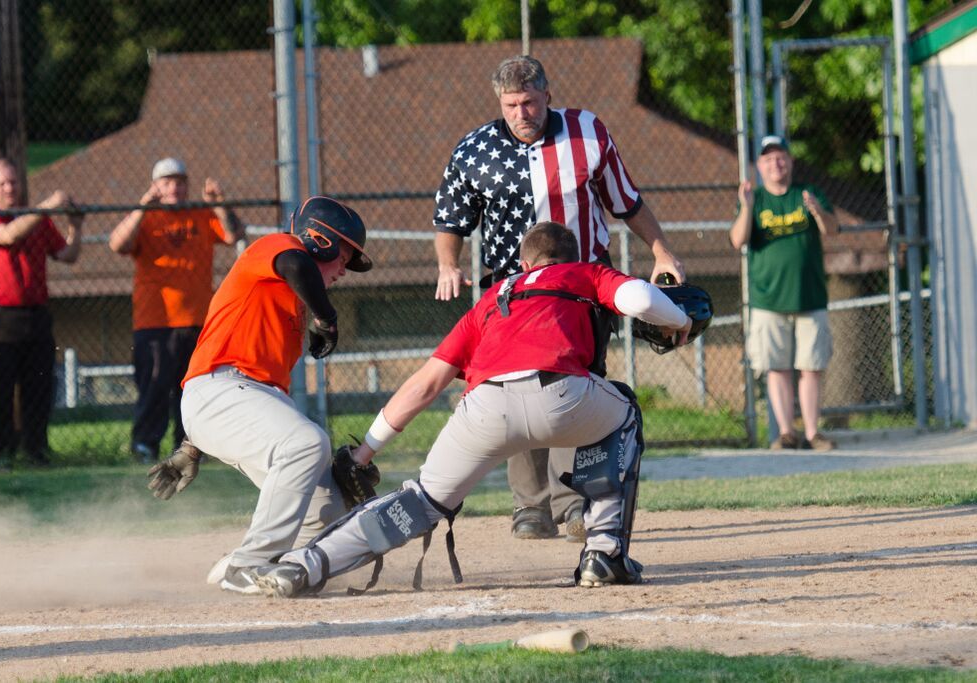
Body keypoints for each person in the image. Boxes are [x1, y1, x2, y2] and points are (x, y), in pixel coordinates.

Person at [246, 222, 694, 598]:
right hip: (565, 395)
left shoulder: (493, 298)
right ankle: (603, 552)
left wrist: (365, 451)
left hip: (484, 406)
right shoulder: (584, 273)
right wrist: (681, 320)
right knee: (624, 413)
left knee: (420, 500)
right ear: (571, 258)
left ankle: (304, 565)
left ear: (524, 265)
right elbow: (639, 300)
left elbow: (426, 384)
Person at [432, 54, 686, 542]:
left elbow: (627, 202)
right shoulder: (475, 150)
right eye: (511, 104)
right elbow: (450, 219)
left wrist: (662, 251)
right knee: (513, 384)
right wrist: (448, 263)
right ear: (499, 103)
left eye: (529, 102)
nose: (521, 113)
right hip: (512, 296)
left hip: (583, 290)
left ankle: (573, 504)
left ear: (547, 95)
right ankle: (530, 506)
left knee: (579, 384)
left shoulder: (588, 133)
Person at [164, 196, 371, 595]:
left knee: (327, 514)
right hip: (217, 389)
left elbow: (255, 401)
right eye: (342, 256)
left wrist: (192, 448)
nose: (344, 270)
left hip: (236, 399)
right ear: (318, 240)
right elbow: (296, 266)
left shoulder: (287, 308)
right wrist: (326, 316)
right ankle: (248, 564)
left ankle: (247, 561)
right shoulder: (276, 247)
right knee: (309, 443)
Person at [108, 158, 245, 464]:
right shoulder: (146, 217)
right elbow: (117, 244)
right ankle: (145, 445)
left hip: (197, 320)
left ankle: (190, 447)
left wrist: (219, 204)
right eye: (167, 182)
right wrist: (143, 206)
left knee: (194, 390)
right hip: (154, 321)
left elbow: (233, 234)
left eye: (180, 181)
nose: (175, 188)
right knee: (154, 386)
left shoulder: (200, 213)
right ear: (155, 185)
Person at [0, 158, 84, 469]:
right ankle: (2, 453)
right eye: (3, 182)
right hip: (0, 319)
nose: (10, 188)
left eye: (14, 182)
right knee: (1, 388)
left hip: (36, 315)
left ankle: (36, 450)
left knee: (38, 385)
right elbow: (7, 236)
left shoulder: (39, 222)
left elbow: (68, 255)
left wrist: (76, 226)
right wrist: (48, 206)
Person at [730, 135, 838, 451]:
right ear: (759, 167)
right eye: (768, 159)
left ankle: (813, 432)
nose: (775, 164)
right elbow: (737, 240)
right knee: (776, 367)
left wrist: (817, 211)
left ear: (790, 162)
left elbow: (832, 230)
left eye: (781, 158)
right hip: (768, 299)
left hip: (810, 296)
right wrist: (747, 207)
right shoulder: (756, 199)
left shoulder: (808, 194)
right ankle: (787, 433)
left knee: (811, 367)